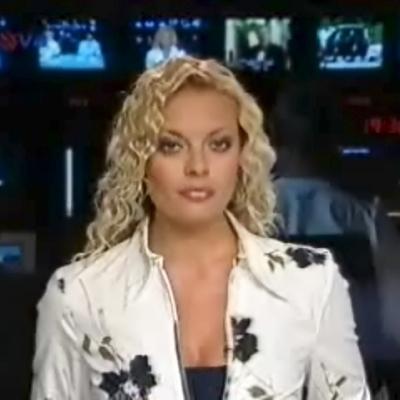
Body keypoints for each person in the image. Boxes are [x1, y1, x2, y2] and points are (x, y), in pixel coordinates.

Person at [30, 57, 370, 400]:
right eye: (171, 146)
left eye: (218, 144)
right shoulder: (79, 295)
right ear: (141, 162)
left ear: (242, 157)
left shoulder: (311, 283)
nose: (198, 167)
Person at [271, 81, 400, 351]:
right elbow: (395, 326)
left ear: (273, 143)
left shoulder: (238, 216)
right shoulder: (368, 218)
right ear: (334, 144)